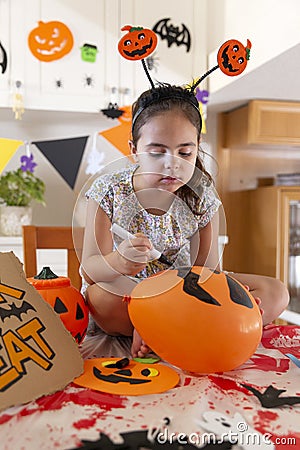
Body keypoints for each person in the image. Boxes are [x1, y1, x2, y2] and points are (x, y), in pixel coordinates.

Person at [80, 84, 289, 359]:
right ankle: (170, 324)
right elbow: (89, 272)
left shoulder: (202, 197)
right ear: (133, 150)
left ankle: (159, 325)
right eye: (157, 152)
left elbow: (207, 272)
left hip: (183, 293)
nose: (172, 164)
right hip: (126, 294)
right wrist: (119, 262)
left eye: (185, 153)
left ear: (197, 149)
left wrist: (227, 297)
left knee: (276, 292)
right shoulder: (108, 191)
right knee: (99, 299)